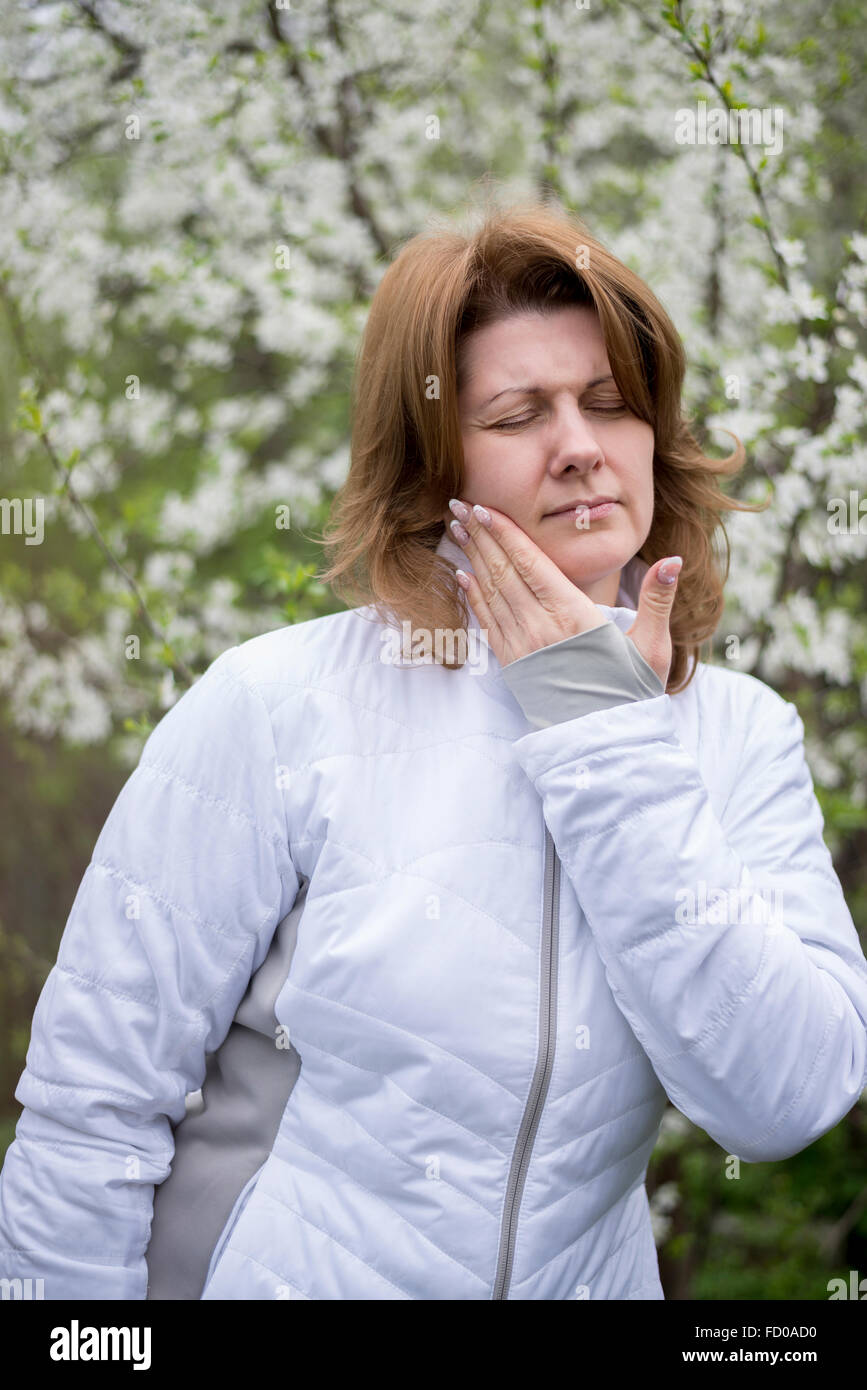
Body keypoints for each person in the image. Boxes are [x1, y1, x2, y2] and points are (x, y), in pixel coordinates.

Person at [2, 199, 866, 1302]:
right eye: (518, 415)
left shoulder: (740, 733)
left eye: (611, 403)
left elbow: (784, 1100)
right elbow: (94, 1108)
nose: (580, 449)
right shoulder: (279, 706)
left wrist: (603, 728)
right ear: (431, 466)